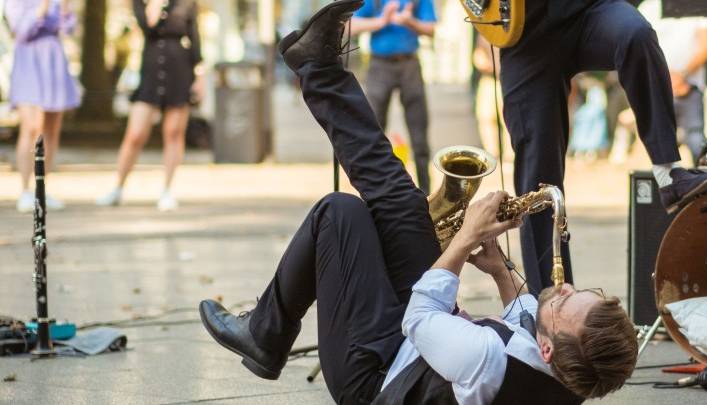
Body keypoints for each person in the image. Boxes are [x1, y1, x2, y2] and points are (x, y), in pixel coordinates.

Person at [198, 2, 638, 403]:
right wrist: (501, 270)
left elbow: (421, 318)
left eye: (564, 303)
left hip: (375, 373)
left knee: (339, 213)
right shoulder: (570, 369)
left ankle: (265, 333)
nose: (563, 289)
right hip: (419, 346)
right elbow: (525, 319)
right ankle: (318, 67)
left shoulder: (486, 358)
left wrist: (464, 240)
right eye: (582, 292)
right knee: (403, 203)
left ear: (549, 349)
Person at [497, 0, 707, 293]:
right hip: (525, 33)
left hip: (588, 11)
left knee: (635, 33)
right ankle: (550, 307)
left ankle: (669, 174)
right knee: (539, 183)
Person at [96, 0, 204, 211]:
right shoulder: (141, 2)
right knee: (135, 134)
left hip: (179, 72)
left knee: (173, 132)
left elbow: (194, 37)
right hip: (151, 73)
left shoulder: (186, 3)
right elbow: (147, 26)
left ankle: (167, 190)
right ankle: (118, 187)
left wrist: (199, 76)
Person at [349, 0, 436, 192]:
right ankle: (376, 191)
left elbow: (430, 29)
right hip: (379, 65)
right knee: (374, 132)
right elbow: (351, 25)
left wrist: (409, 21)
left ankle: (427, 194)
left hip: (410, 64)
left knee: (419, 135)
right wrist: (382, 21)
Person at [5, 0, 81, 213]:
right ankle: (25, 190)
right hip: (29, 62)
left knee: (51, 130)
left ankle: (42, 190)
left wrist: (65, 8)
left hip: (53, 63)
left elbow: (68, 29)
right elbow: (20, 31)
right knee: (31, 128)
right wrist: (44, 6)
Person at [638, 0, 707, 166]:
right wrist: (663, 77)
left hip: (689, 87)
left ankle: (702, 188)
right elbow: (639, 47)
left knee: (697, 144)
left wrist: (681, 75)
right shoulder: (648, 7)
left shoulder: (702, 5)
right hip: (656, 87)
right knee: (661, 151)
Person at [473, 35, 512, 162]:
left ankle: (510, 156)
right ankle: (491, 155)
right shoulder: (485, 33)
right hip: (489, 78)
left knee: (509, 120)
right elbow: (478, 53)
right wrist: (481, 62)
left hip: (507, 80)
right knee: (485, 117)